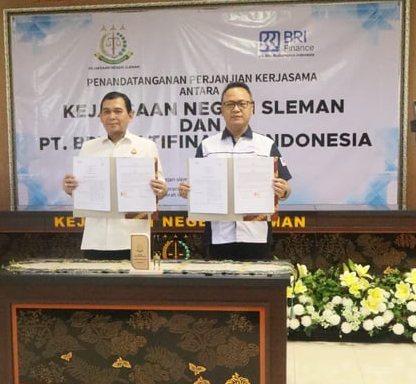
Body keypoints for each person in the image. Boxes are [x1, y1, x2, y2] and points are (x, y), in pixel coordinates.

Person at [179, 82, 292, 261]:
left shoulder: (266, 145)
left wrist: (284, 190)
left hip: (257, 236)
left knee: (256, 279)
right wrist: (188, 191)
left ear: (252, 107)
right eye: (230, 104)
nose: (236, 109)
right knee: (221, 279)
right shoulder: (207, 146)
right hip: (218, 236)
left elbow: (286, 190)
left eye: (242, 103)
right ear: (221, 109)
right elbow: (197, 187)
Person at [63, 91, 167, 259]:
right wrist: (70, 188)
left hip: (133, 237)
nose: (112, 116)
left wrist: (161, 190)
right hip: (96, 238)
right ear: (100, 117)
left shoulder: (146, 147)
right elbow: (81, 190)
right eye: (106, 111)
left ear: (130, 116)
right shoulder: (88, 147)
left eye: (118, 111)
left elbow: (160, 189)